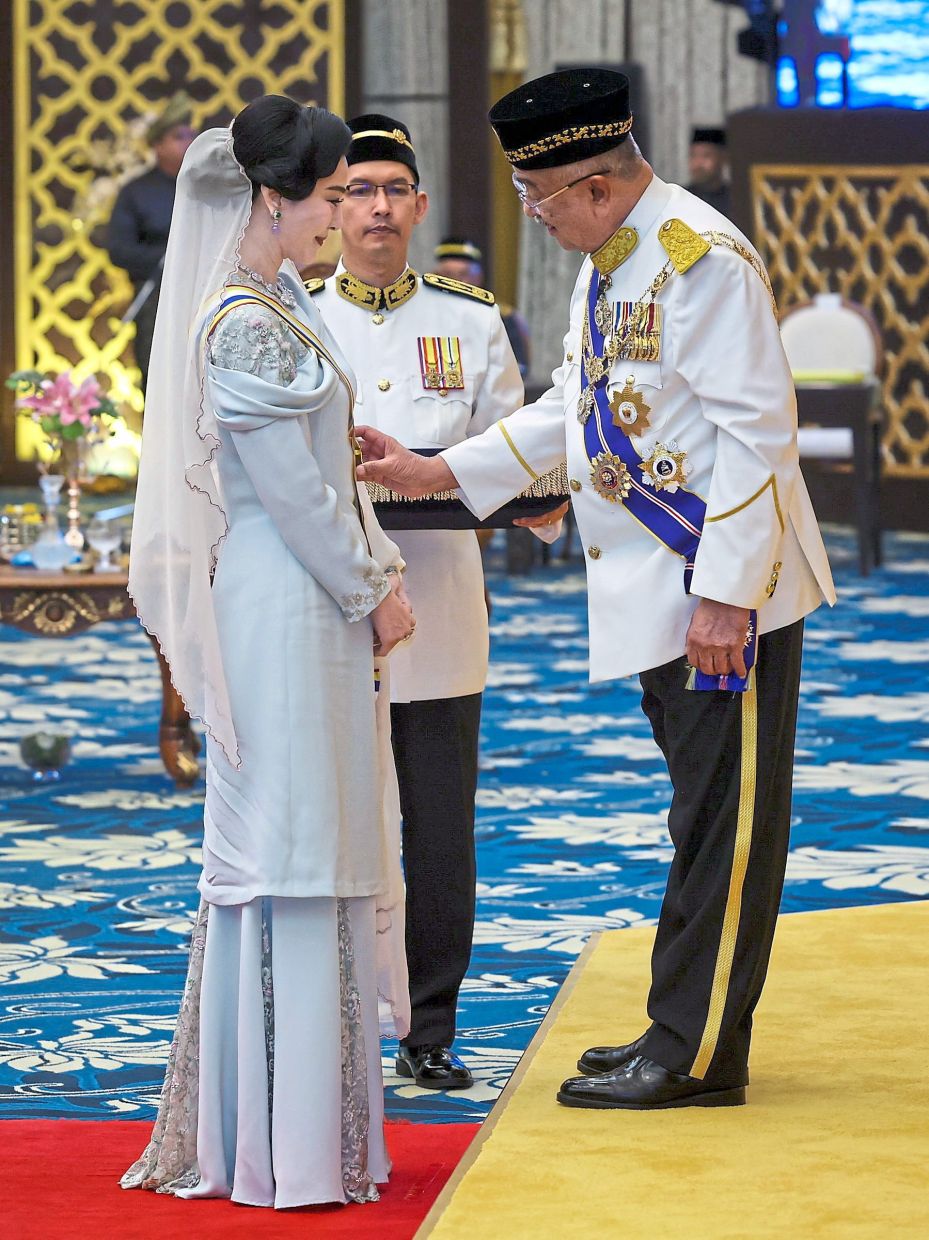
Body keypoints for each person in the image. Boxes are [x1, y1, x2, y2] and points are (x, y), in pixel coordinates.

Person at [355, 68, 836, 1111]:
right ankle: (680, 1025)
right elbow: (573, 410)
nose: (535, 219)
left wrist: (724, 598)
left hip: (720, 599)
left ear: (597, 185)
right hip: (666, 595)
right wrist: (439, 469)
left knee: (728, 822)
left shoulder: (696, 261)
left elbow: (760, 436)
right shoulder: (612, 265)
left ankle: (697, 1052)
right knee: (697, 815)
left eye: (540, 202)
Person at [122, 95, 413, 1207]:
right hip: (285, 605)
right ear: (273, 199)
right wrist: (372, 587)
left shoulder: (277, 297)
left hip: (306, 603)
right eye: (334, 193)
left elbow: (323, 467)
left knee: (316, 838)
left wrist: (362, 576)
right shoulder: (240, 318)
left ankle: (304, 1137)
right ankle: (280, 1151)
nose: (346, 210)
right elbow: (294, 493)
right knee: (290, 852)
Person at [310, 114, 563, 1090]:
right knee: (333, 812)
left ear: (418, 206)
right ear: (333, 208)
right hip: (329, 600)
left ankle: (429, 1025)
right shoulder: (296, 314)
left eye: (391, 192)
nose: (375, 208)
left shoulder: (468, 320)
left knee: (439, 823)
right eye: (356, 191)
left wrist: (433, 481)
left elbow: (518, 464)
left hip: (444, 601)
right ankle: (331, 1010)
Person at [107, 93, 196, 392]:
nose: (188, 141)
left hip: (205, 297)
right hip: (156, 302)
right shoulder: (136, 192)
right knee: (160, 385)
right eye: (178, 136)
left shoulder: (208, 187)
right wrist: (167, 259)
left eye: (190, 135)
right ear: (157, 145)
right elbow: (119, 250)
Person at [432, 236, 532, 377]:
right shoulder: (425, 314)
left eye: (463, 275)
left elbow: (518, 368)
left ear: (478, 277)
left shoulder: (501, 316)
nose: (455, 282)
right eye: (447, 275)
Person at [685, 126, 731, 216]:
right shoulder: (682, 198)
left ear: (723, 158)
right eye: (693, 155)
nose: (698, 163)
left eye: (706, 156)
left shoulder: (736, 200)